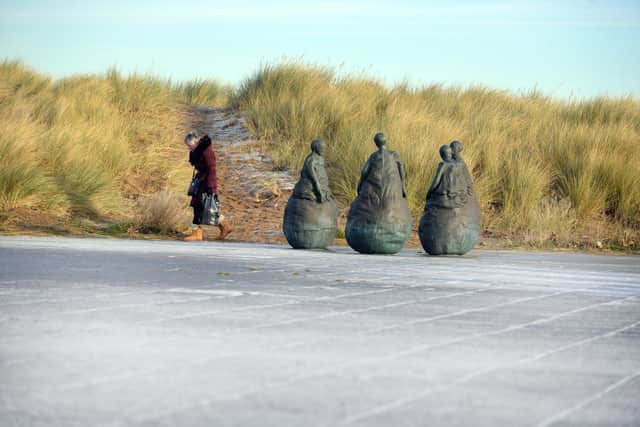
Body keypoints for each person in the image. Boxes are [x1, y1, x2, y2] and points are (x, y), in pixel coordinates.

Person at [183, 131, 232, 241]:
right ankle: (223, 227)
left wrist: (211, 187)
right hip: (201, 182)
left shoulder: (206, 151)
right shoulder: (197, 151)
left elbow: (212, 169)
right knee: (200, 206)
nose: (189, 149)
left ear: (196, 142)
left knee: (207, 207)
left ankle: (200, 232)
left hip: (207, 183)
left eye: (190, 146)